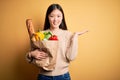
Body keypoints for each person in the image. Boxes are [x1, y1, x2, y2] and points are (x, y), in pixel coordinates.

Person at [26, 3, 88, 80]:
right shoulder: (41, 34)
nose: (55, 20)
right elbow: (28, 57)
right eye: (52, 16)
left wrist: (75, 37)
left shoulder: (68, 34)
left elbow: (71, 57)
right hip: (43, 77)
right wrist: (31, 54)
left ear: (62, 18)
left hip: (63, 76)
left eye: (58, 16)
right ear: (48, 17)